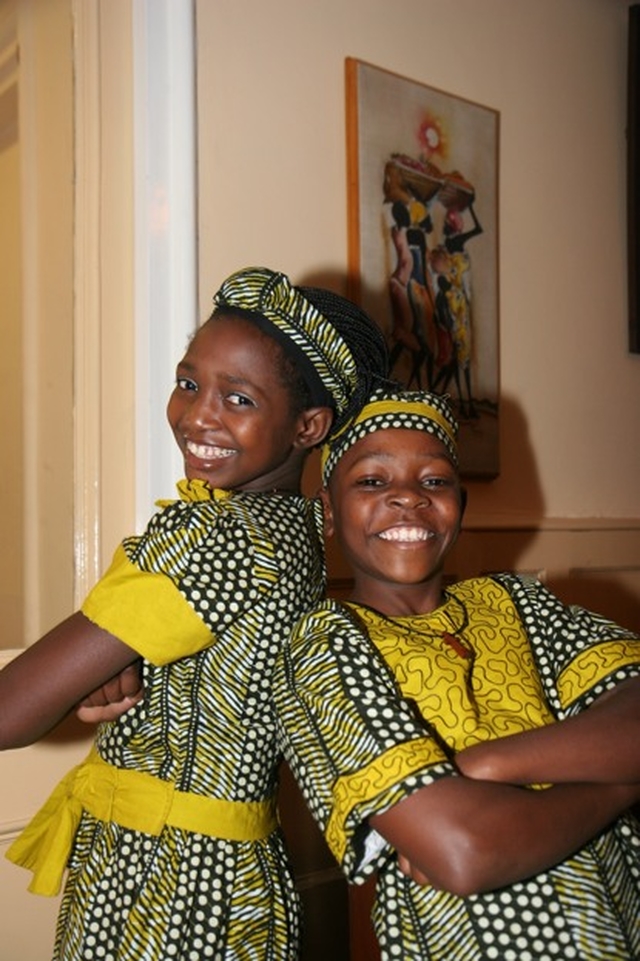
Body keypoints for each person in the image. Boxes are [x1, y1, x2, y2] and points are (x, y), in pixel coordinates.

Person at [0, 266, 389, 960]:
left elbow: (9, 711)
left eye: (237, 397)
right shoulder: (294, 532)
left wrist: (95, 665)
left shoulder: (214, 536)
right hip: (238, 878)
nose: (198, 415)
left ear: (310, 424)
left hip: (165, 886)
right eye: (188, 383)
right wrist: (121, 662)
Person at [273, 387, 640, 960]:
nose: (408, 499)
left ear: (460, 506)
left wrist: (485, 764)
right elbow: (464, 852)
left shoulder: (516, 601)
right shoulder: (324, 644)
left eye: (435, 481)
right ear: (327, 510)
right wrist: (624, 782)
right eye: (372, 481)